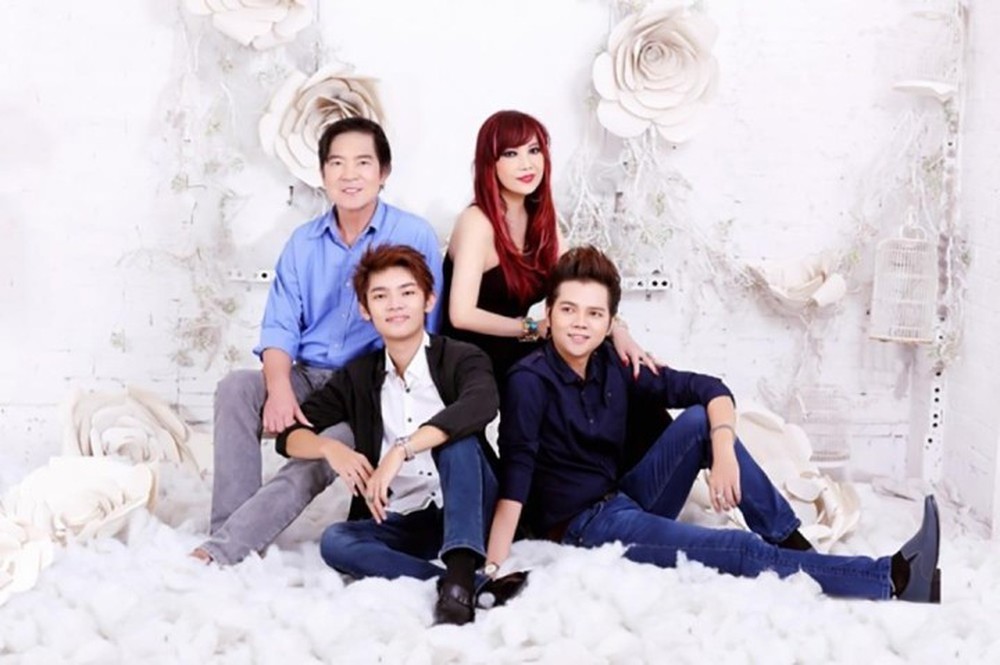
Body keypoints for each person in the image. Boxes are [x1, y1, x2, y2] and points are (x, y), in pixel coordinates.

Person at [484, 246, 942, 603]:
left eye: (594, 313)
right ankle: (893, 578)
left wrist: (722, 451)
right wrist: (491, 570)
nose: (579, 324)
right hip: (584, 529)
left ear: (610, 322)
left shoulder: (613, 361)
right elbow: (515, 481)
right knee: (738, 549)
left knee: (701, 420)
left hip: (623, 496)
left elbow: (710, 389)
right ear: (549, 312)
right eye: (568, 310)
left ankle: (796, 550)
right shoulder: (528, 381)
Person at [194, 118, 444, 565]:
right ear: (323, 173)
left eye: (363, 163)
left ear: (383, 172)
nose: (350, 175)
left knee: (325, 452)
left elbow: (428, 329)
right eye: (337, 163)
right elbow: (280, 325)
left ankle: (225, 550)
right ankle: (230, 535)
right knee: (236, 388)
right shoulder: (303, 242)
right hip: (306, 374)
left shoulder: (414, 235)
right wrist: (279, 387)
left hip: (367, 389)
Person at [277, 244, 521, 625]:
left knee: (457, 441)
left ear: (428, 300)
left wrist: (402, 450)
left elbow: (481, 405)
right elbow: (289, 435)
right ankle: (465, 585)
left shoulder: (462, 357)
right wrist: (329, 448)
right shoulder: (358, 376)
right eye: (380, 296)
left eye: (407, 292)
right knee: (336, 541)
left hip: (469, 506)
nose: (395, 305)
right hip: (405, 516)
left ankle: (459, 579)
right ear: (365, 309)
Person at [442, 110, 655, 388]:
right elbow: (461, 315)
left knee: (608, 358)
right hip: (470, 361)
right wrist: (531, 328)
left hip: (517, 347)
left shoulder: (541, 219)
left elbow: (575, 283)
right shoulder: (477, 222)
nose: (527, 164)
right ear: (490, 164)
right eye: (511, 154)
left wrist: (618, 331)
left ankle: (679, 413)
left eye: (534, 150)